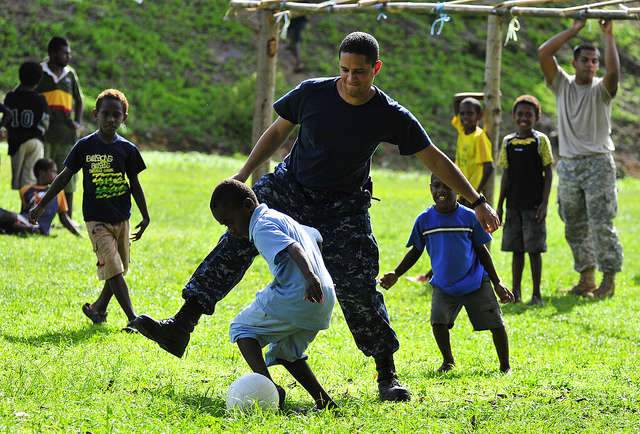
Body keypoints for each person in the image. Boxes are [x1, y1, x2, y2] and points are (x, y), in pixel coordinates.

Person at [131, 32, 500, 402]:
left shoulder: (388, 113)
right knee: (235, 241)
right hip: (290, 189)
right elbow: (277, 132)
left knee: (358, 285)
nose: (351, 79)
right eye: (344, 70)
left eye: (359, 72)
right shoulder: (313, 93)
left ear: (376, 69)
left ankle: (386, 374)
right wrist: (243, 175)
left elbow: (434, 157)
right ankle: (181, 325)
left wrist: (478, 200)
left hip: (344, 206)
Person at [211, 179, 336, 410]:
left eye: (229, 222)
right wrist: (316, 275)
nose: (231, 230)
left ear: (248, 206)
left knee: (241, 328)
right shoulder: (282, 218)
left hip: (300, 293)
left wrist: (309, 277)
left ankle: (271, 390)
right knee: (286, 353)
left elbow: (294, 248)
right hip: (325, 297)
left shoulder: (260, 226)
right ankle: (325, 403)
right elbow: (315, 237)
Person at [30, 89, 149, 330]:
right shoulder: (85, 146)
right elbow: (64, 177)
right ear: (96, 114)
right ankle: (132, 318)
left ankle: (98, 308)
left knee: (119, 268)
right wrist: (41, 204)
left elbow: (135, 185)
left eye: (117, 115)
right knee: (114, 268)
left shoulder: (128, 150)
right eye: (106, 114)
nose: (111, 119)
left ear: (124, 118)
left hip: (122, 218)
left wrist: (145, 216)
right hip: (96, 220)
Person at [379, 174, 513, 373]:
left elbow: (482, 251)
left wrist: (497, 282)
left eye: (447, 186)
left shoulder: (469, 217)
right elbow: (416, 250)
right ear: (430, 188)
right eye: (436, 186)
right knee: (438, 322)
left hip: (475, 280)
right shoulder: (424, 220)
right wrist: (397, 273)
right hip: (444, 284)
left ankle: (505, 366)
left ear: (458, 189)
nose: (441, 190)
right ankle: (448, 361)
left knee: (495, 323)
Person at [539, 19, 623, 299]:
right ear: (574, 63)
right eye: (585, 60)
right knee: (573, 222)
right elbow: (544, 53)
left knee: (601, 222)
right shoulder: (563, 85)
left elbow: (614, 73)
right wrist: (574, 29)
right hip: (570, 165)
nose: (591, 65)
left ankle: (608, 281)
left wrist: (608, 36)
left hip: (598, 163)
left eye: (594, 61)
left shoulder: (601, 90)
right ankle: (586, 278)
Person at [497, 95, 553, 305]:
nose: (524, 118)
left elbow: (549, 173)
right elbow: (506, 175)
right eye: (520, 114)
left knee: (534, 250)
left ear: (536, 117)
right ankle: (516, 293)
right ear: (513, 116)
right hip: (513, 206)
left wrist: (545, 203)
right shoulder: (508, 142)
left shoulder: (541, 141)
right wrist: (500, 206)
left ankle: (536, 294)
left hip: (534, 207)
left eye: (529, 114)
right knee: (516, 250)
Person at [37, 36, 83, 217]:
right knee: (43, 175)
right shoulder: (40, 71)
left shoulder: (70, 74)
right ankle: (38, 214)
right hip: (45, 134)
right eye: (65, 53)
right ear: (52, 53)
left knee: (67, 174)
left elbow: (79, 100)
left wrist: (77, 123)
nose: (68, 57)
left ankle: (68, 216)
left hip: (66, 135)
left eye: (69, 53)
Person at [4, 61, 49, 191]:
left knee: (19, 183)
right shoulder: (40, 99)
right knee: (30, 179)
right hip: (34, 141)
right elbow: (45, 123)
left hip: (15, 142)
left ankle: (24, 208)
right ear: (38, 80)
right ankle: (27, 209)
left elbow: (6, 120)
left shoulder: (10, 97)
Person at [20, 158, 80, 236]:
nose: (56, 174)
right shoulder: (25, 190)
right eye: (53, 171)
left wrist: (78, 235)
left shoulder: (59, 193)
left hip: (41, 229)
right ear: (41, 172)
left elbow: (64, 218)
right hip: (23, 223)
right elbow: (24, 212)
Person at [452, 94, 493, 204]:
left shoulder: (479, 137)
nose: (465, 117)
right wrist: (482, 96)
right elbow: (456, 99)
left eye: (470, 113)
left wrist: (476, 193)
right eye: (462, 113)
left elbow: (488, 166)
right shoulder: (461, 130)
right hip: (460, 190)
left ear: (479, 116)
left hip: (471, 193)